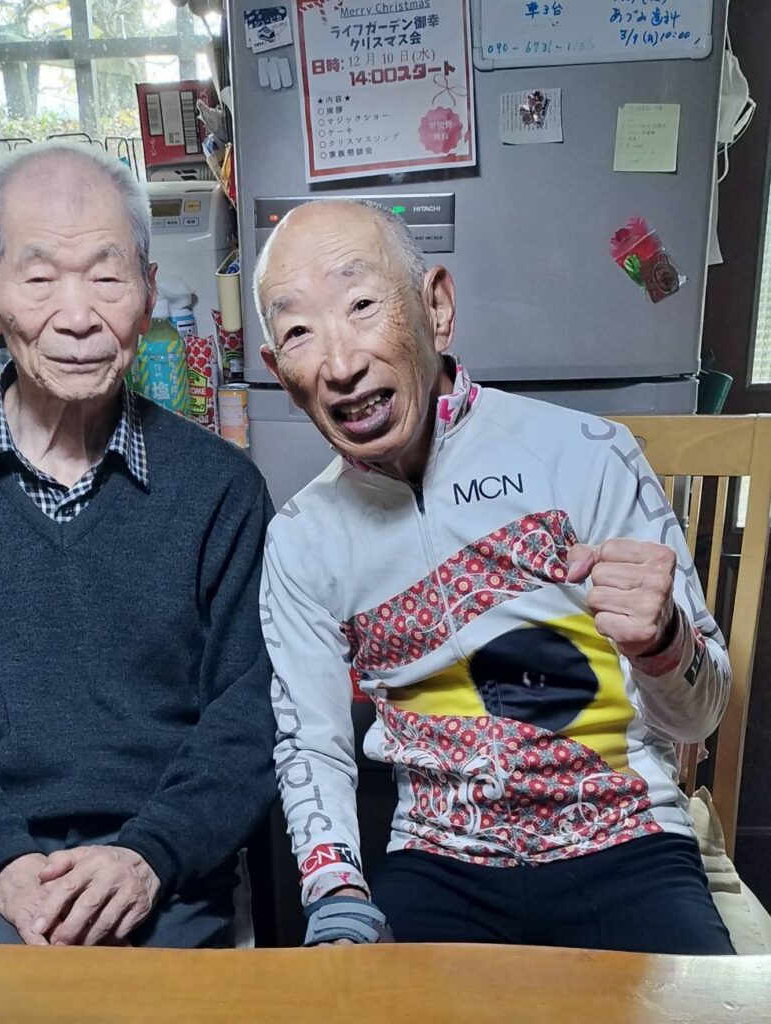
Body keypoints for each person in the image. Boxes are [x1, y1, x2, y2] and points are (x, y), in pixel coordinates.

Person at [254, 198, 735, 954]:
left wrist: (664, 642)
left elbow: (697, 719)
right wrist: (336, 890)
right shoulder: (300, 539)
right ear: (279, 373)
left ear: (436, 309)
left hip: (627, 837)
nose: (340, 365)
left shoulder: (587, 453)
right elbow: (311, 742)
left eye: (362, 305)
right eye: (298, 333)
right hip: (437, 861)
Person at [0, 142, 276, 948]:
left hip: (160, 869)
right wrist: (3, 866)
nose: (77, 318)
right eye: (39, 280)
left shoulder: (221, 489)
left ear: (147, 292)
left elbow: (247, 717)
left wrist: (148, 857)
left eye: (107, 279)